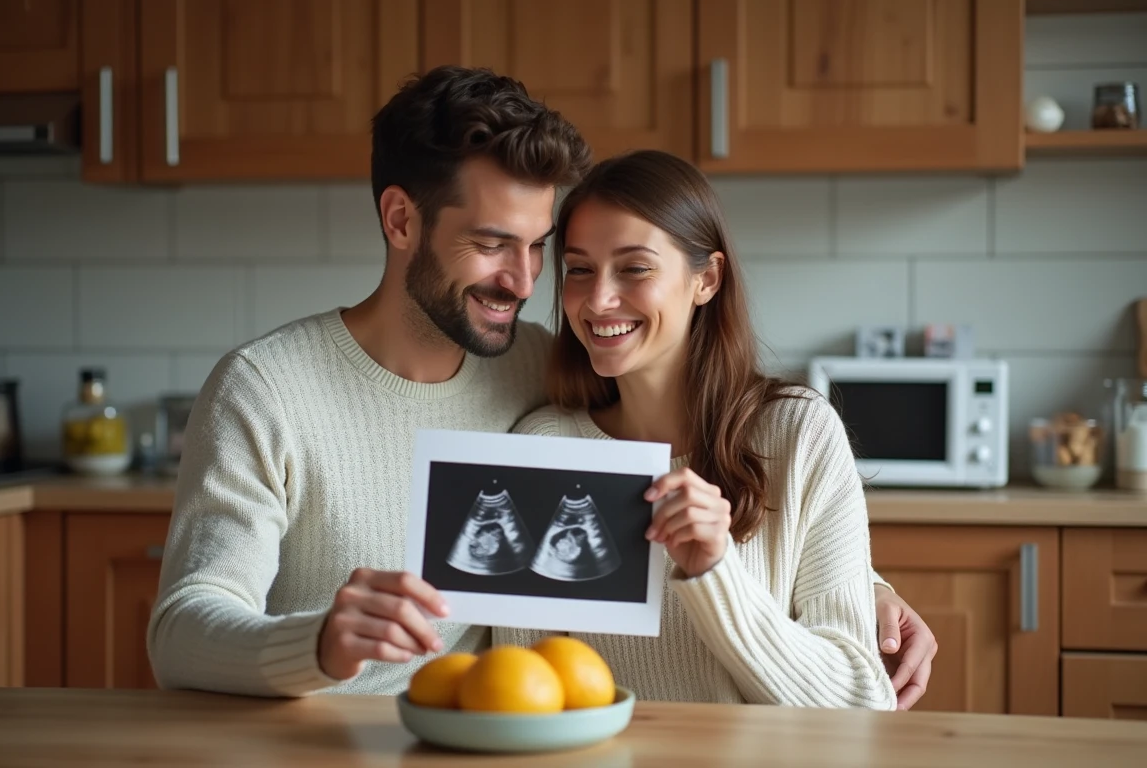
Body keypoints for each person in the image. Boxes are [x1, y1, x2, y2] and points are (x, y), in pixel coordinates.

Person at [147, 66, 935, 707]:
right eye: (492, 245)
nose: (527, 284)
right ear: (399, 220)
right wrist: (316, 643)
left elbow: (725, 483)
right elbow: (182, 630)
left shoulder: (541, 374)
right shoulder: (267, 390)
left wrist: (862, 586)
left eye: (537, 248)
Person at [494, 150, 903, 709]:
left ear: (706, 279)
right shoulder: (543, 450)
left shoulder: (800, 434)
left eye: (635, 268)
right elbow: (523, 697)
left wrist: (716, 573)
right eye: (580, 269)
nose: (597, 300)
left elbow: (862, 701)